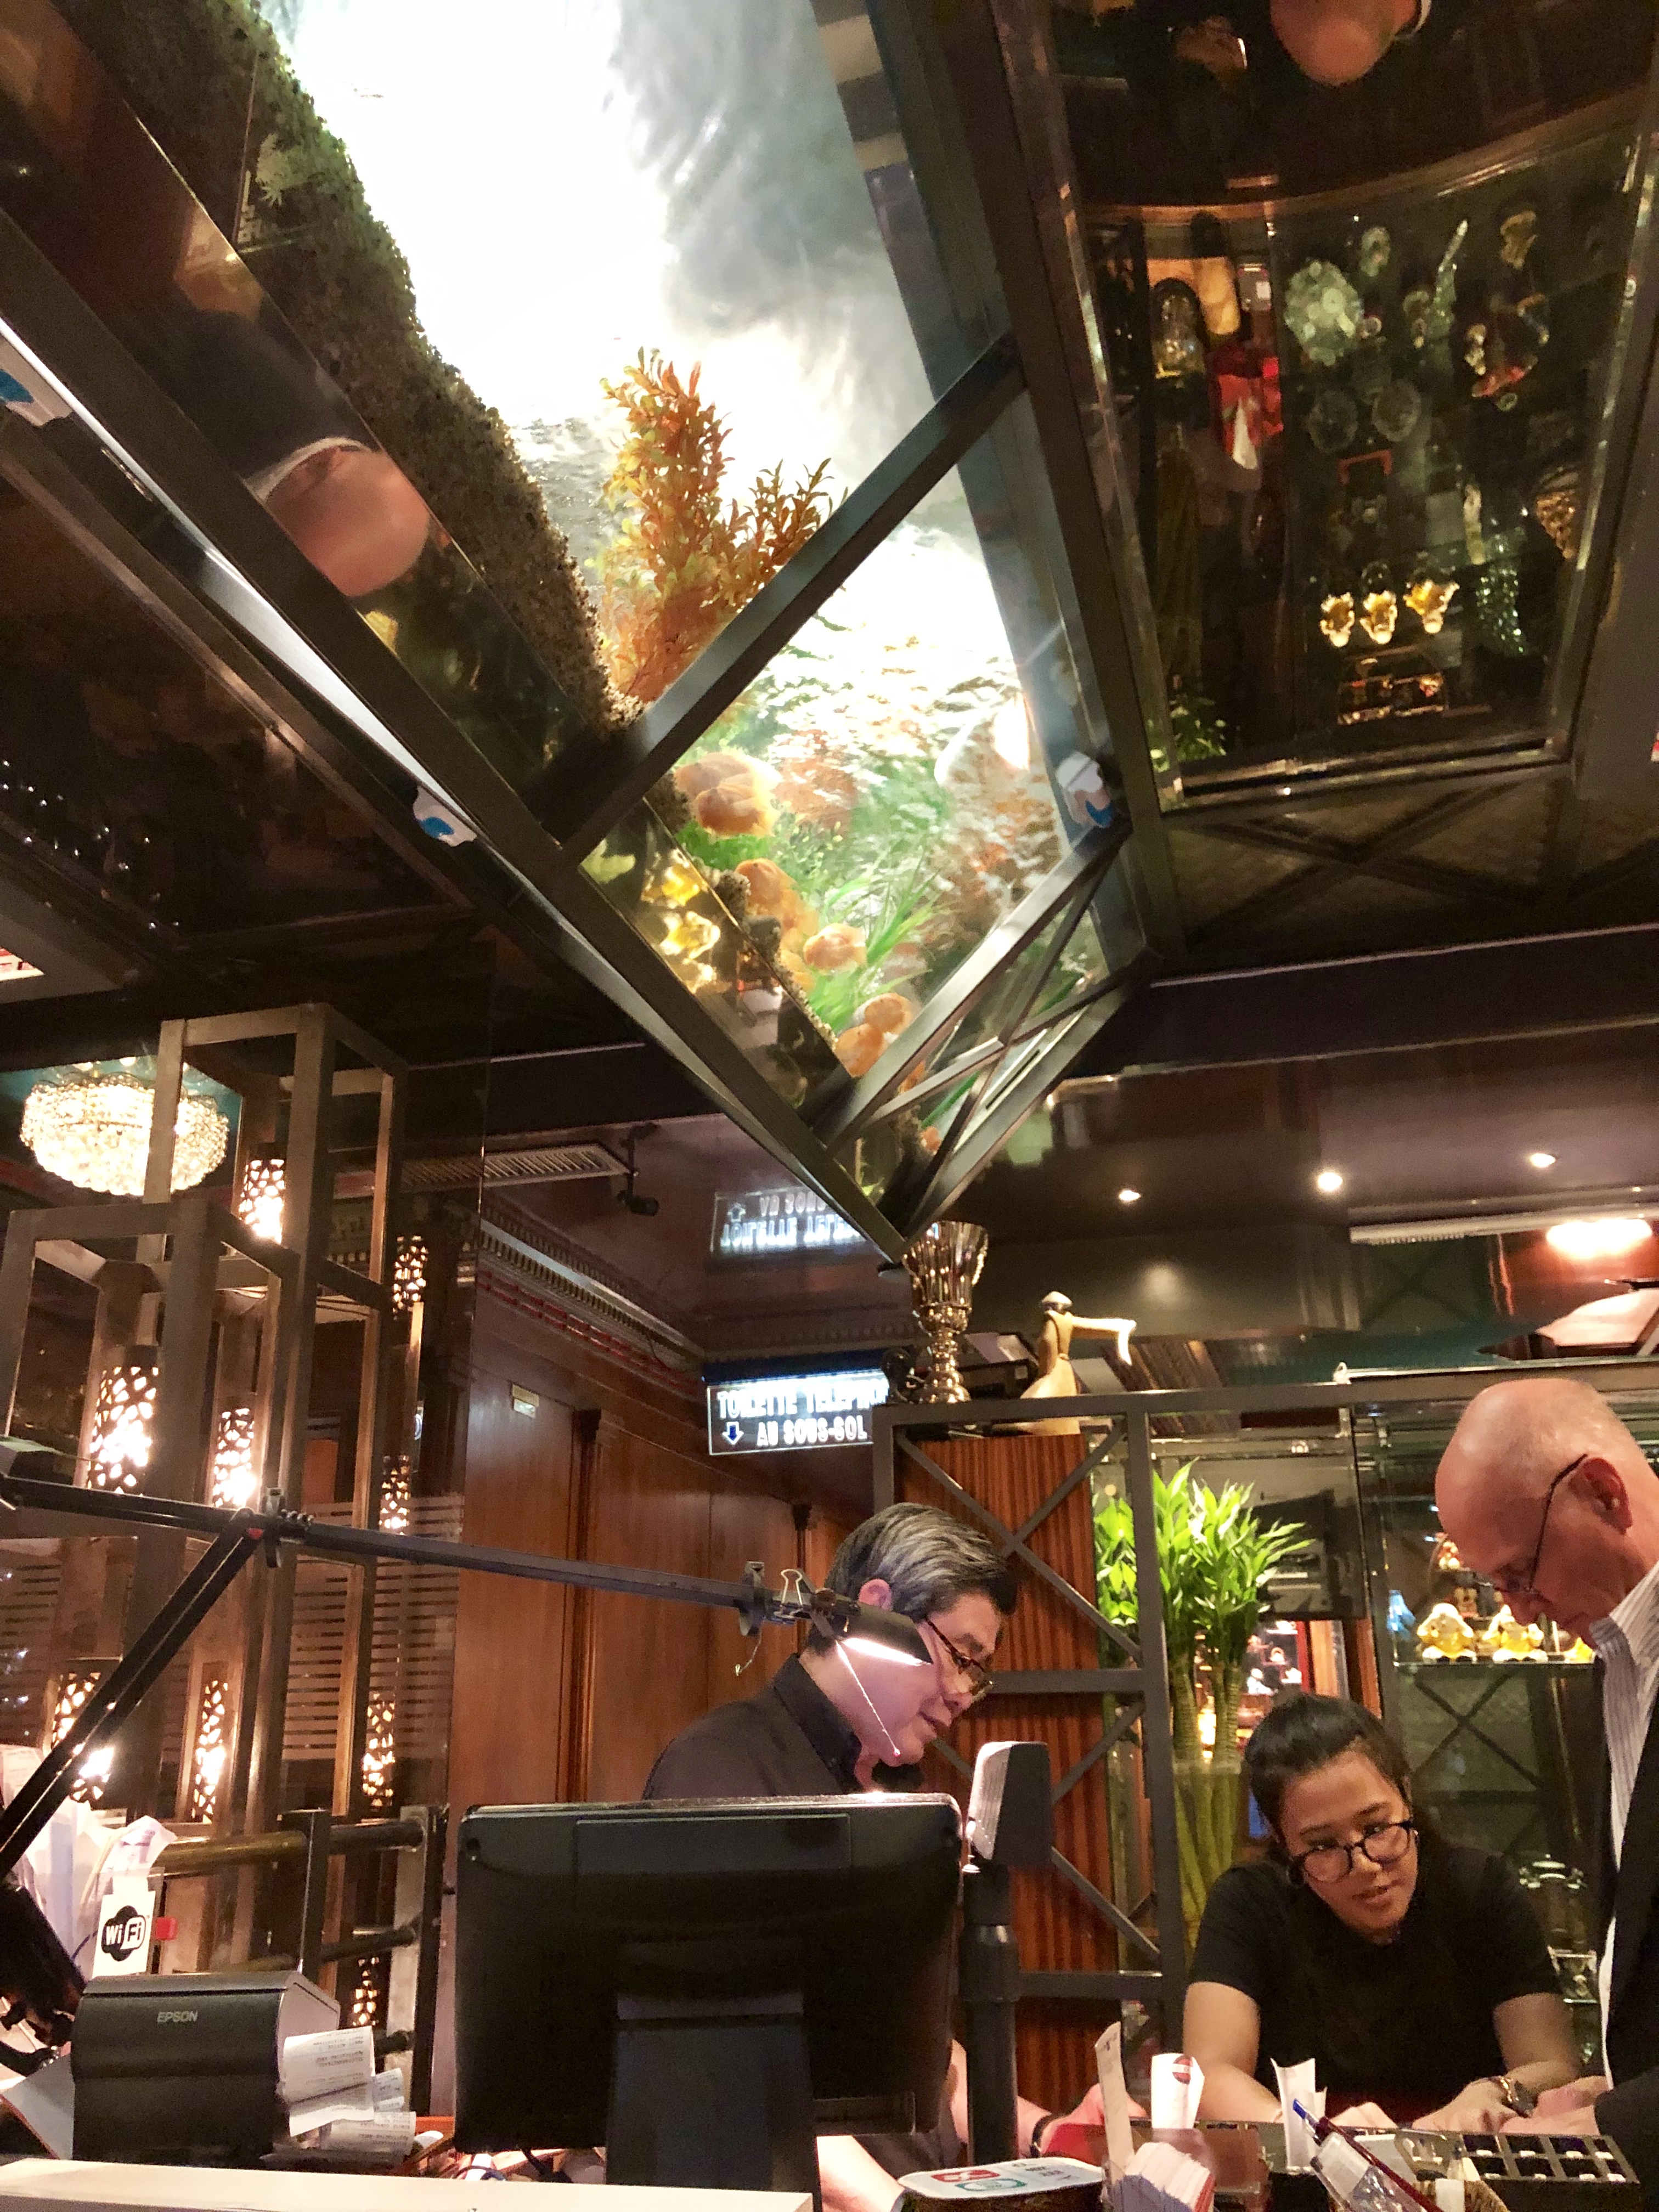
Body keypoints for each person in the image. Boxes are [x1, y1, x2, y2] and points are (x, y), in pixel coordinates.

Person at [644, 1502, 1105, 2212]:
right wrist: (892, 2206)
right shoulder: (722, 1769)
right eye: (960, 1657)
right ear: (876, 1608)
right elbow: (724, 2065)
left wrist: (1046, 2133)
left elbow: (921, 2049)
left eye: (978, 1673)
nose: (963, 1695)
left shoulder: (899, 1796)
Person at [1436, 1378, 1659, 2179]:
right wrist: (1616, 2087)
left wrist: (1620, 2120)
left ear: (1602, 1492)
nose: (1522, 1613)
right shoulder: (1617, 1664)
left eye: (1521, 1573)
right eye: (1498, 1588)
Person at [1185, 1692, 1577, 2128]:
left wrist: (1493, 2093)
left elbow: (1554, 2067)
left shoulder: (1479, 1889)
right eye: (1323, 1846)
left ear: (1405, 1795)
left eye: (1376, 1828)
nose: (1366, 1865)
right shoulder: (1250, 1902)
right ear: (1283, 1843)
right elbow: (1209, 2073)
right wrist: (1312, 2135)